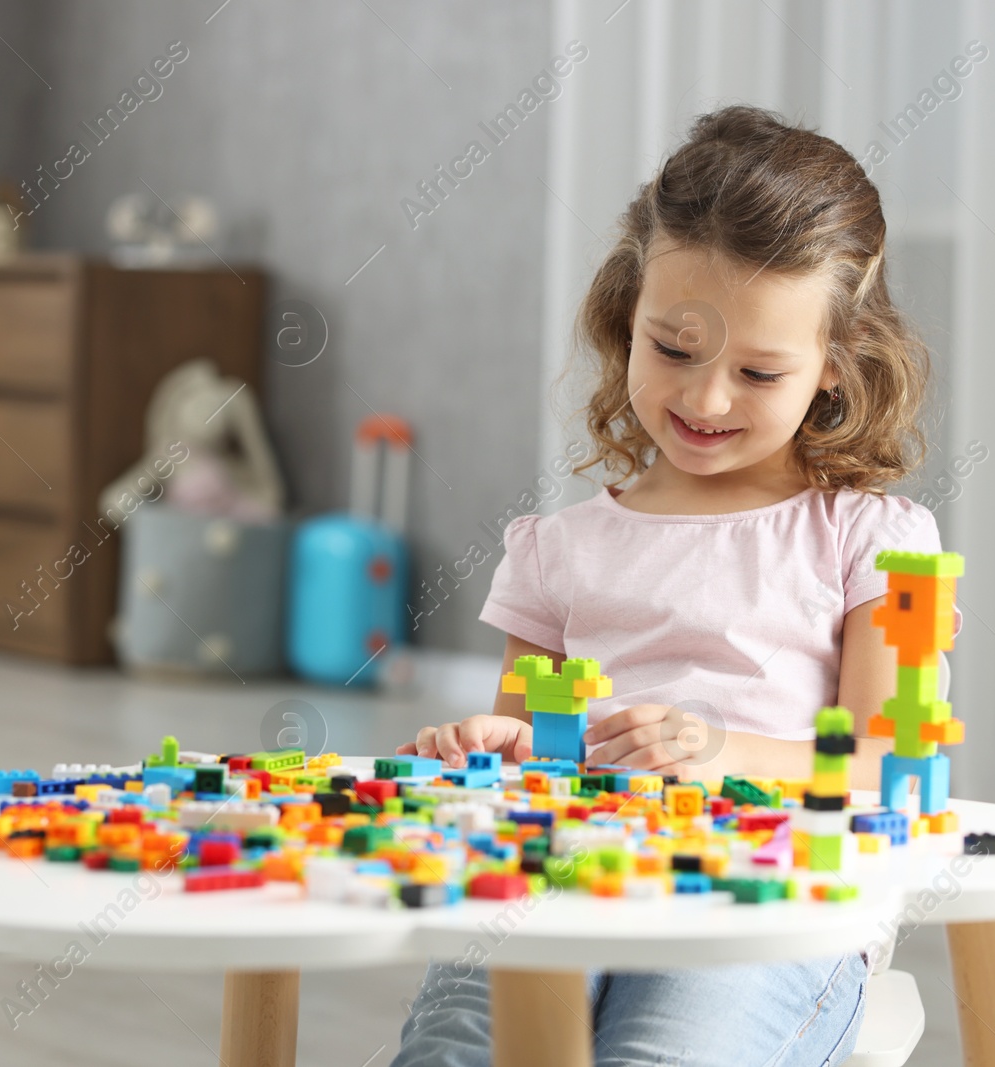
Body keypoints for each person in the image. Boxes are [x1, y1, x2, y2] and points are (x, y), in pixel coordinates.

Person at [391, 104, 959, 1067]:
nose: (704, 400)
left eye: (760, 370)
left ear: (834, 367)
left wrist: (716, 750)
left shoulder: (887, 545)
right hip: (567, 877)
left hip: (776, 903)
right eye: (674, 350)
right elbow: (539, 767)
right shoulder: (553, 550)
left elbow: (899, 775)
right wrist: (488, 749)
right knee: (452, 1051)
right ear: (628, 320)